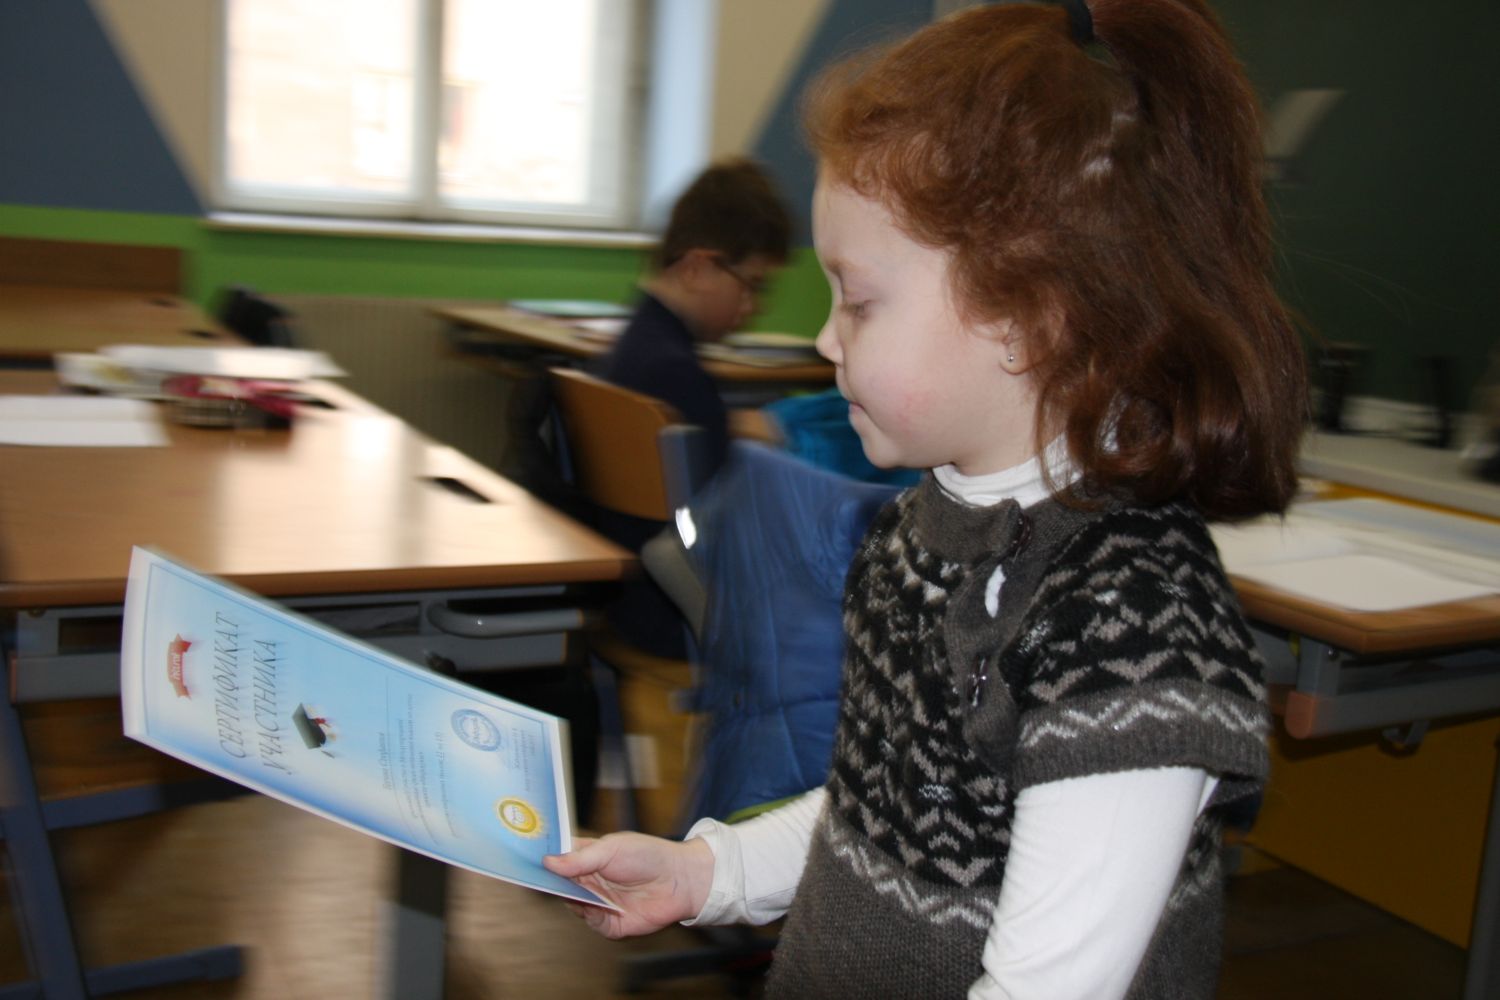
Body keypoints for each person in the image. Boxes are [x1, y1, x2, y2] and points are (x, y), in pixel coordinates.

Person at [545, 2, 1306, 997]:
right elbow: (882, 813)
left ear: (1031, 314)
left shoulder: (1132, 627)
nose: (825, 339)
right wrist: (710, 871)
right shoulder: (915, 533)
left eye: (859, 301)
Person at [588, 158, 792, 657]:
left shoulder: (635, 347)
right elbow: (729, 532)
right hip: (678, 619)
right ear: (698, 268)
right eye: (752, 284)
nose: (752, 307)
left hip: (630, 604)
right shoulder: (676, 375)